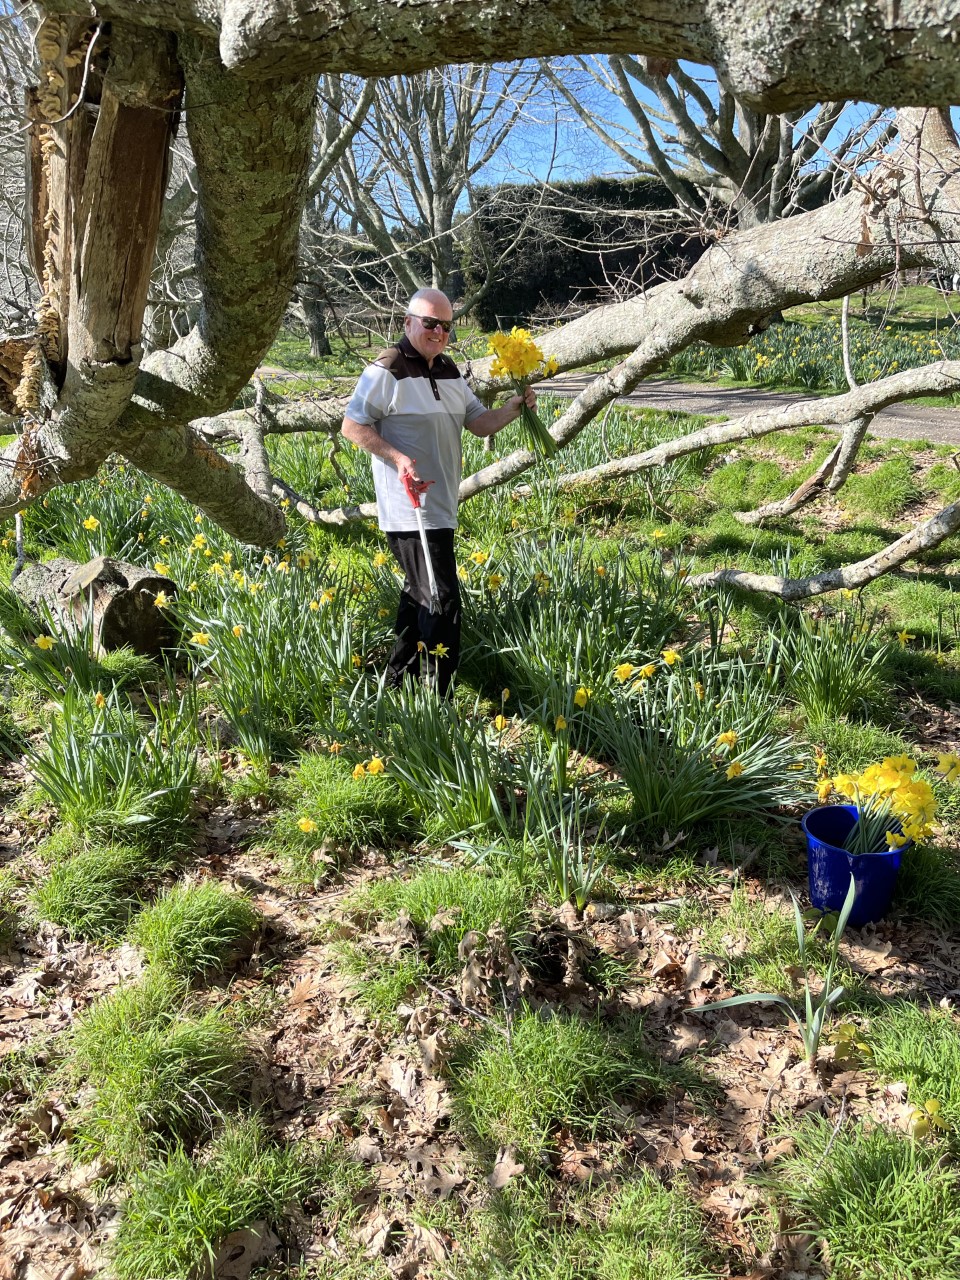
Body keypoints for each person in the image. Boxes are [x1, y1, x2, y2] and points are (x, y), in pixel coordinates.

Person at [341, 288, 536, 694]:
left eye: (446, 325)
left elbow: (479, 422)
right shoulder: (387, 369)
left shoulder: (447, 370)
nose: (438, 331)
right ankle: (439, 697)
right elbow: (353, 426)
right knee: (442, 600)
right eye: (429, 322)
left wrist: (513, 409)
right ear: (408, 322)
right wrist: (397, 458)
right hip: (409, 508)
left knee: (420, 595)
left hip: (442, 504)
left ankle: (396, 686)